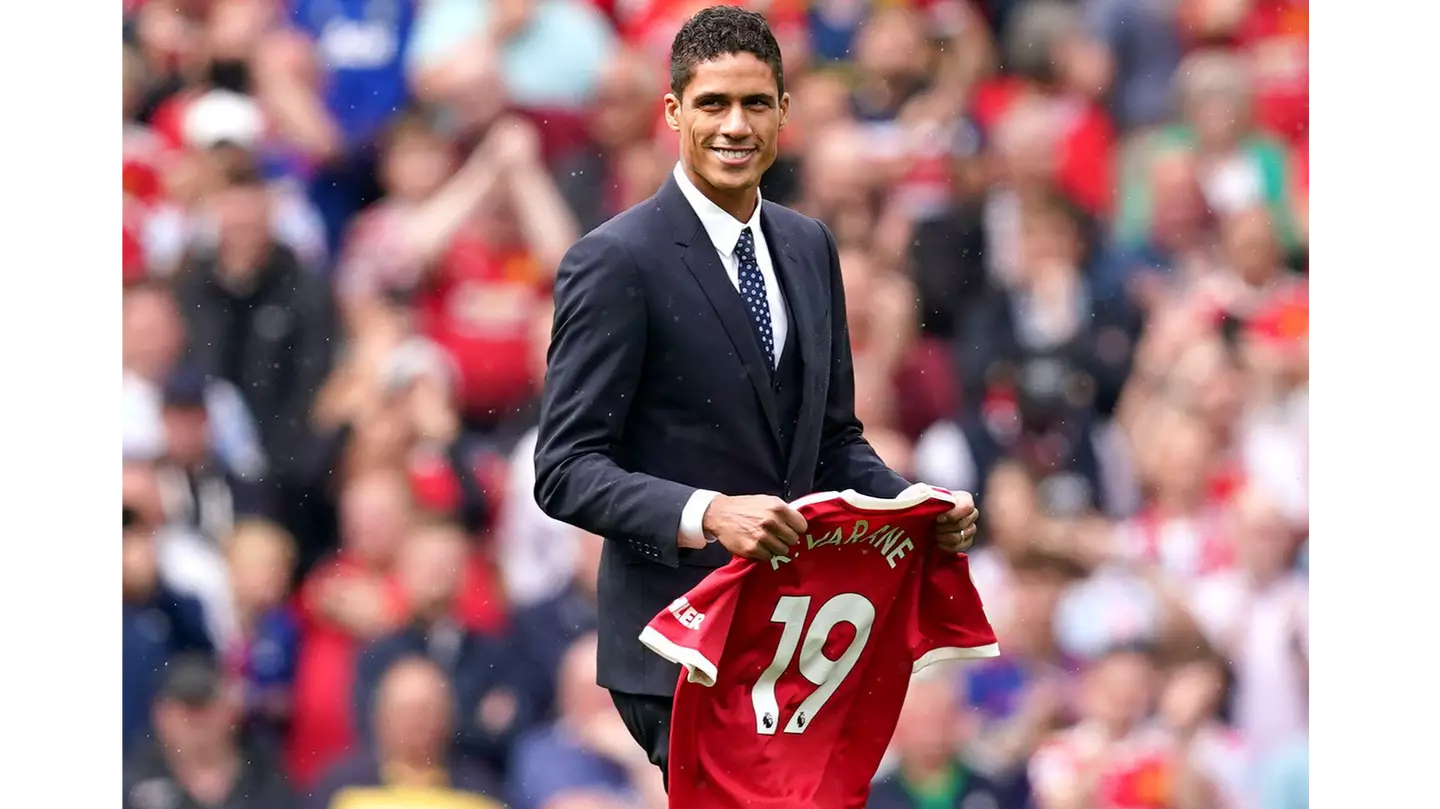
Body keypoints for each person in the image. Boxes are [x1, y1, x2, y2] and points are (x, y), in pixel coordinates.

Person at [533, 4, 980, 786]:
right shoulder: (613, 261)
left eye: (754, 103)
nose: (734, 125)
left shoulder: (809, 246)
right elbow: (565, 468)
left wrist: (915, 505)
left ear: (784, 112)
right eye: (712, 103)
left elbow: (835, 441)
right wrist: (709, 512)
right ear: (672, 112)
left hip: (795, 647)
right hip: (678, 644)